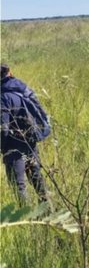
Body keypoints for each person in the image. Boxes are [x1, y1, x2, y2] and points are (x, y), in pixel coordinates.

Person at [1, 63, 50, 205]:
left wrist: (2, 147)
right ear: (9, 72)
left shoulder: (3, 97)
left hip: (13, 148)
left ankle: (26, 216)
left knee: (19, 186)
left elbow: (3, 128)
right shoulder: (22, 90)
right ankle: (49, 210)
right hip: (30, 143)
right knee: (37, 179)